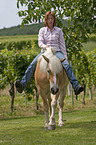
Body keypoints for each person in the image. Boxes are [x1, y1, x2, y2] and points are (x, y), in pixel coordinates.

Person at [15, 11, 84, 95]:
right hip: (45, 52)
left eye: (52, 18)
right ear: (46, 20)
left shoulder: (59, 31)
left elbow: (62, 45)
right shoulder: (42, 30)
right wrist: (45, 47)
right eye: (48, 19)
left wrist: (65, 57)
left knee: (67, 65)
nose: (50, 20)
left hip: (57, 52)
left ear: (54, 20)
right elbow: (40, 42)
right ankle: (22, 85)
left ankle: (76, 86)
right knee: (32, 65)